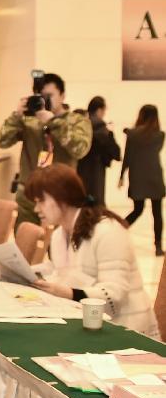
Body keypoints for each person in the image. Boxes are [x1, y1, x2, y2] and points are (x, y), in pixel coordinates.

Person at [26, 165, 158, 336]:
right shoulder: (60, 234)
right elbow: (58, 270)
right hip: (88, 325)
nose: (36, 209)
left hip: (127, 330)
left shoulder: (108, 230)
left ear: (62, 197)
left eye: (40, 201)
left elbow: (114, 294)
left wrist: (67, 293)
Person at [0, 72, 92, 227]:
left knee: (59, 247)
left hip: (60, 197)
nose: (45, 100)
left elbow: (80, 149)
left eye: (50, 95)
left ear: (62, 95)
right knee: (25, 246)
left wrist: (53, 122)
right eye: (41, 96)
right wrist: (16, 116)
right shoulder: (29, 120)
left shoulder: (76, 121)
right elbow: (2, 142)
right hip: (28, 195)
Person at [120, 104, 165, 256]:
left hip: (137, 177)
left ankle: (118, 230)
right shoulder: (160, 135)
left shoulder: (132, 134)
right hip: (154, 177)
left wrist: (121, 176)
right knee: (157, 213)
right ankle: (158, 246)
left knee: (137, 210)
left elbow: (127, 157)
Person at [76, 96, 120, 206]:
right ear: (100, 110)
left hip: (80, 168)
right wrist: (110, 134)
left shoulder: (81, 124)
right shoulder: (101, 127)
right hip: (96, 170)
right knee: (95, 203)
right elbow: (115, 152)